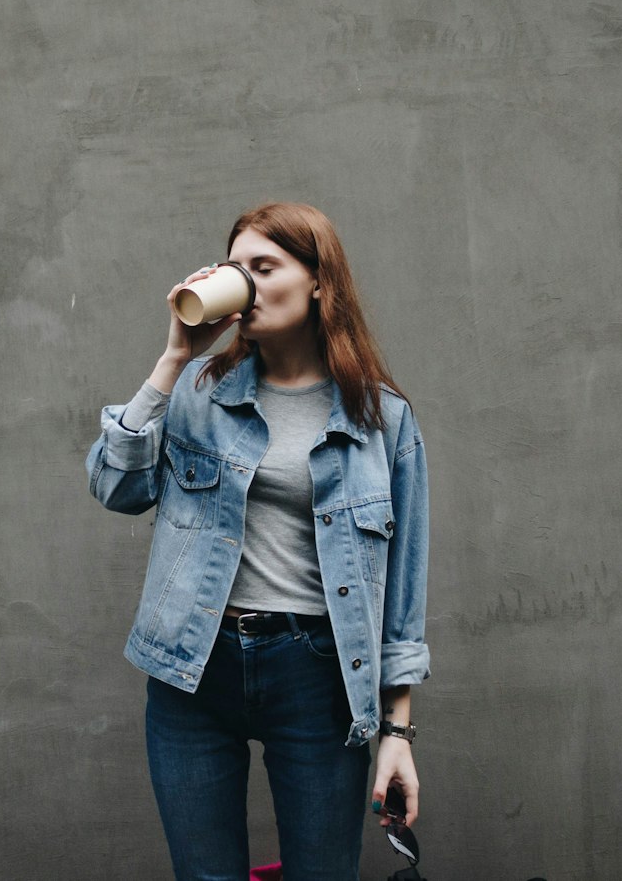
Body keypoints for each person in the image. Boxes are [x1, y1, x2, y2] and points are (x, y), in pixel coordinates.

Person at [85, 201, 430, 881]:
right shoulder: (196, 391)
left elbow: (403, 603)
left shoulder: (384, 421)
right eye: (235, 268)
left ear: (318, 283)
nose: (244, 284)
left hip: (318, 675)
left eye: (263, 267)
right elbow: (113, 485)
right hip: (195, 665)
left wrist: (396, 735)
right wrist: (174, 358)